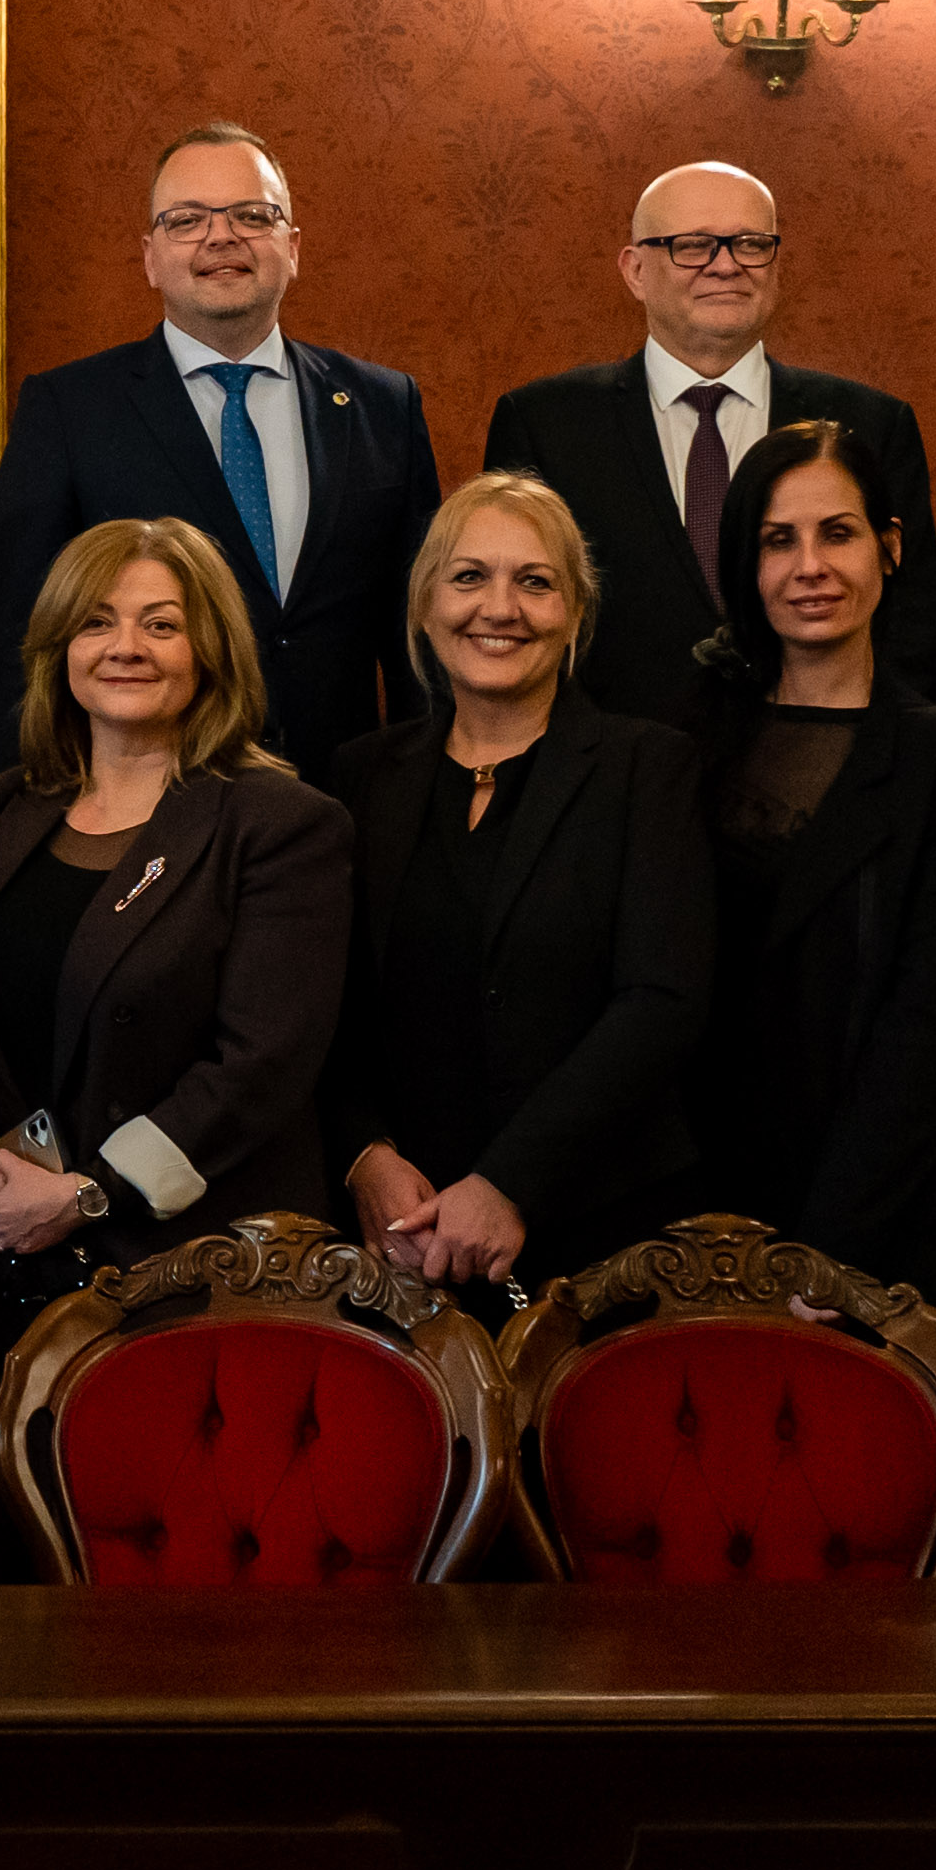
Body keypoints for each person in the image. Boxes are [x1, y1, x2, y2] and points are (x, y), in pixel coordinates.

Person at [0, 524, 357, 1562]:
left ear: (211, 650)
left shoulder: (279, 823)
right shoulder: (1, 811)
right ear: (58, 649)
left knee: (172, 1590)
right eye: (97, 621)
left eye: (161, 624)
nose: (125, 646)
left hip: (189, 1280)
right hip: (0, 1273)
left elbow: (258, 1066)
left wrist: (83, 1195)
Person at [322, 474, 720, 1298]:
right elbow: (328, 1005)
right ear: (425, 605)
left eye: (534, 581)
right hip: (405, 1239)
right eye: (469, 576)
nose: (499, 608)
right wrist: (364, 1156)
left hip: (602, 1235)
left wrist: (509, 1182)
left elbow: (661, 1001)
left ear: (575, 612)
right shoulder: (362, 775)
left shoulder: (648, 766)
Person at [0, 124, 438, 772]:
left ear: (292, 248)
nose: (222, 237)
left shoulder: (382, 405)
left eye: (252, 215)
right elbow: (12, 645)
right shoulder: (69, 411)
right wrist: (19, 811)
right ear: (150, 257)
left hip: (349, 800)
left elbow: (422, 632)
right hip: (150, 799)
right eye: (187, 220)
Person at [677, 425, 936, 1301]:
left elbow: (933, 1020)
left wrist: (831, 1249)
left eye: (838, 533)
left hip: (902, 1211)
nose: (811, 567)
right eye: (778, 540)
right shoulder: (686, 743)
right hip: (712, 1206)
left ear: (890, 546)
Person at [483, 161, 936, 721]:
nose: (726, 265)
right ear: (635, 270)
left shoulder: (870, 423)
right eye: (693, 245)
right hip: (607, 759)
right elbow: (510, 617)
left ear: (776, 265)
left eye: (751, 244)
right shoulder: (543, 423)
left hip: (819, 753)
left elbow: (911, 625)